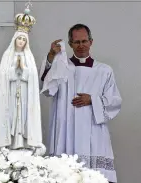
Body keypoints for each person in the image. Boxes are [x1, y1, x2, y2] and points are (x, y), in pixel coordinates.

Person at [39, 24, 122, 183]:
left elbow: (114, 101)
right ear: (70, 44)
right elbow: (47, 88)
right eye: (77, 42)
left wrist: (92, 99)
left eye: (84, 41)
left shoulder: (104, 70)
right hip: (66, 128)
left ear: (91, 42)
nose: (81, 45)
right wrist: (51, 56)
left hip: (93, 129)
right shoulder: (61, 68)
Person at [0, 7, 44, 154]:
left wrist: (24, 70)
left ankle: (25, 142)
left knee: (24, 116)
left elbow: (33, 76)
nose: (21, 41)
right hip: (11, 92)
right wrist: (15, 69)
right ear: (14, 39)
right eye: (19, 38)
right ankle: (10, 142)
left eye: (23, 39)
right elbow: (3, 76)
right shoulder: (7, 55)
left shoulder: (29, 56)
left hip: (26, 93)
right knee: (12, 115)